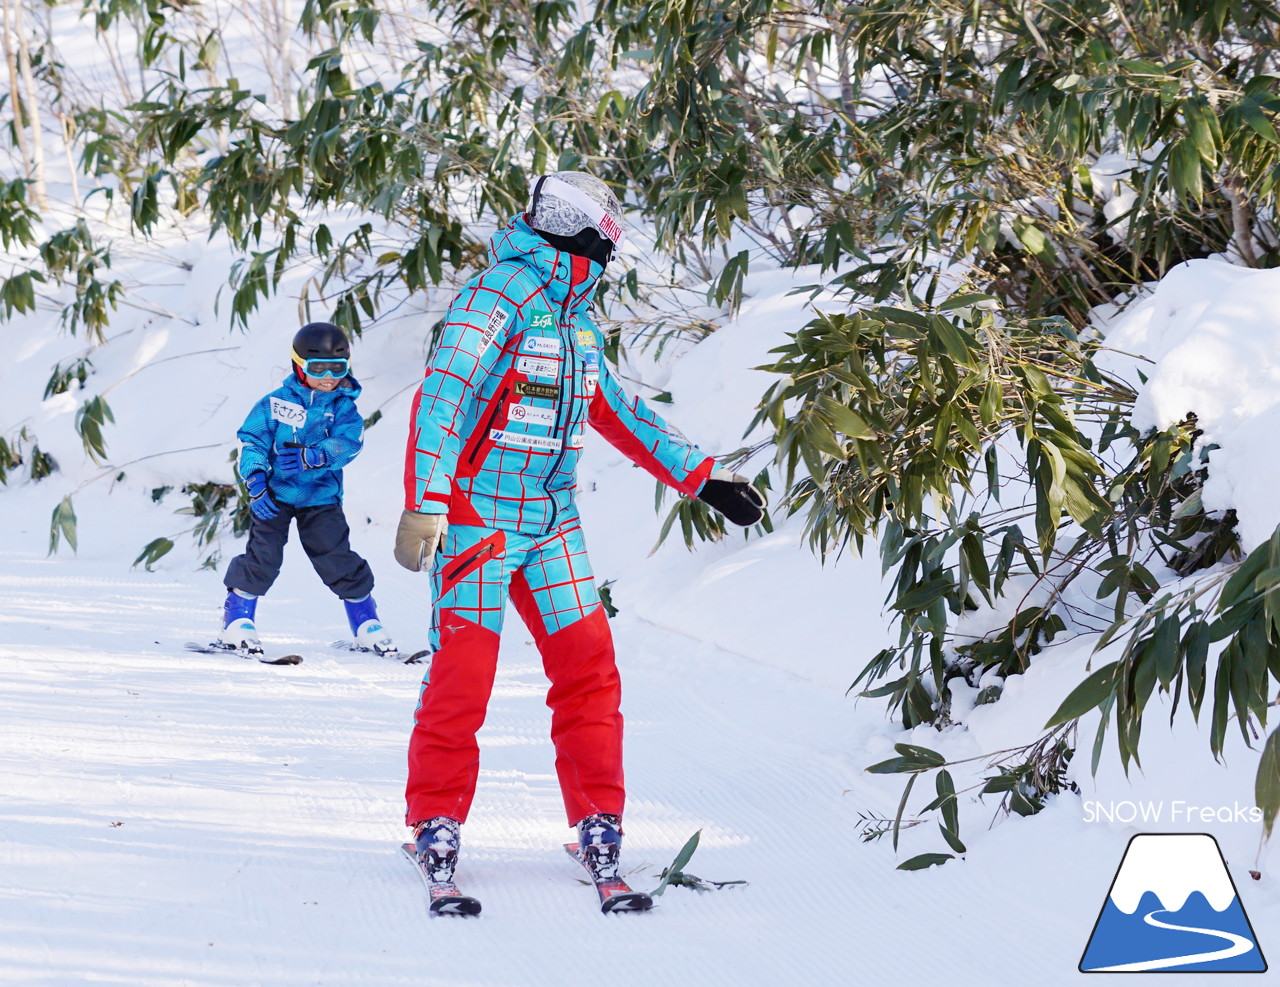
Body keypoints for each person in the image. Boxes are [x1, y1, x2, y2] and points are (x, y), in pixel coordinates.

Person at [395, 171, 765, 889]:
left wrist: (702, 476)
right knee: (463, 675)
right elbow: (442, 396)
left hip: (553, 516)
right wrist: (427, 500)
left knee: (588, 667)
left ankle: (599, 818)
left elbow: (618, 411)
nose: (613, 246)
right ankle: (434, 822)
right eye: (608, 231)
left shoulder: (577, 319)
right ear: (582, 229)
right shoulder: (497, 295)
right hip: (479, 517)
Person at [218, 322, 401, 658]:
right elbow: (254, 440)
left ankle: (365, 622)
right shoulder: (275, 403)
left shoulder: (343, 407)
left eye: (338, 368)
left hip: (320, 497)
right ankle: (237, 620)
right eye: (318, 368)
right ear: (298, 365)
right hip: (274, 496)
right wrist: (256, 480)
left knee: (336, 556)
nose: (329, 377)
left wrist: (317, 455)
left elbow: (350, 442)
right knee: (264, 555)